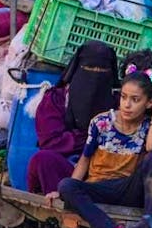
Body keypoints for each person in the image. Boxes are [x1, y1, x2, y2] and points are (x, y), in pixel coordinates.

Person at [57, 72, 152, 228]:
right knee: (66, 186)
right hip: (100, 186)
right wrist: (71, 189)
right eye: (124, 97)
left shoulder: (151, 126)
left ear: (149, 102)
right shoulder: (102, 122)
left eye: (135, 100)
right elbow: (84, 159)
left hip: (129, 188)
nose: (127, 105)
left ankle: (151, 226)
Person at [27, 40, 117, 196]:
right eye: (89, 68)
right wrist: (90, 138)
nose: (95, 75)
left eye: (101, 70)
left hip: (101, 171)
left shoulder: (117, 103)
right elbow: (50, 142)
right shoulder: (57, 98)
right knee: (43, 159)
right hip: (64, 167)